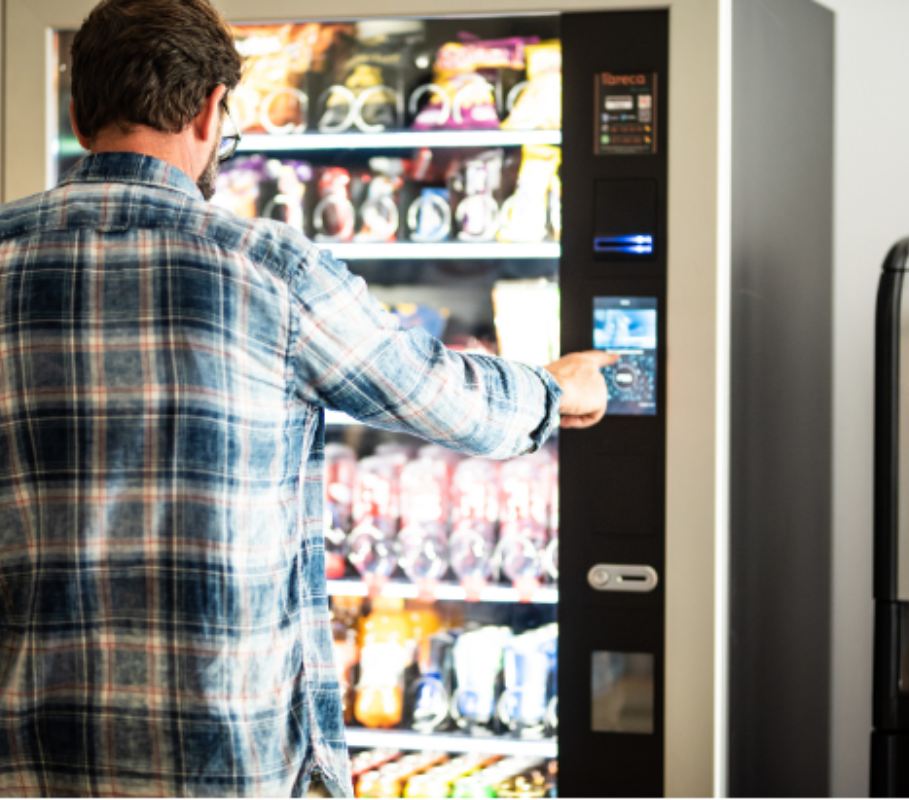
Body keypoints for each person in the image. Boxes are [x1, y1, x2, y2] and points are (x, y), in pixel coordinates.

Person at [0, 0, 615, 796]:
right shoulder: (268, 269)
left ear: (78, 115)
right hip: (224, 755)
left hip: (27, 754)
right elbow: (435, 394)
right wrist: (550, 389)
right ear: (210, 108)